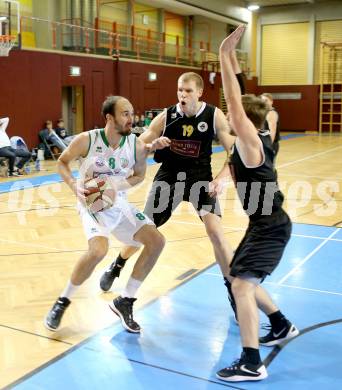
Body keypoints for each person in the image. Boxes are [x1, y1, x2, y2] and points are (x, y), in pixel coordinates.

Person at [100, 71, 237, 311]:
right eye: (180, 91)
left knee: (216, 233)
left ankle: (234, 291)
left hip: (199, 179)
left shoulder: (214, 116)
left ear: (200, 93)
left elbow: (234, 152)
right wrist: (151, 145)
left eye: (188, 91)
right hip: (170, 178)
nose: (182, 95)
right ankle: (118, 264)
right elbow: (140, 143)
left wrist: (222, 178)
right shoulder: (167, 116)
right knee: (146, 230)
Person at [215, 26, 298, 382]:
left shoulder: (250, 146)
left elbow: (235, 106)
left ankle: (251, 361)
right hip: (264, 223)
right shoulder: (259, 135)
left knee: (241, 287)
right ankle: (280, 325)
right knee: (238, 276)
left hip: (270, 226)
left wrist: (221, 55)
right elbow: (243, 98)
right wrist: (233, 59)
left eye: (237, 120)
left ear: (245, 123)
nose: (232, 120)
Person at [44, 96, 166, 333]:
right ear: (109, 117)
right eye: (124, 114)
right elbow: (62, 162)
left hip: (117, 202)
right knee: (98, 250)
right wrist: (73, 185)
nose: (131, 119)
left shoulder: (136, 145)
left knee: (157, 241)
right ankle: (63, 301)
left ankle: (125, 300)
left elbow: (139, 176)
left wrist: (113, 186)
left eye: (131, 113)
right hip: (92, 205)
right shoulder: (87, 140)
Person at [261, 93, 280, 158]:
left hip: (270, 144)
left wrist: (268, 146)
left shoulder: (271, 113)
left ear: (271, 101)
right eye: (262, 100)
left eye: (266, 100)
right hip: (264, 143)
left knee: (269, 167)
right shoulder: (264, 112)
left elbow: (272, 131)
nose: (264, 102)